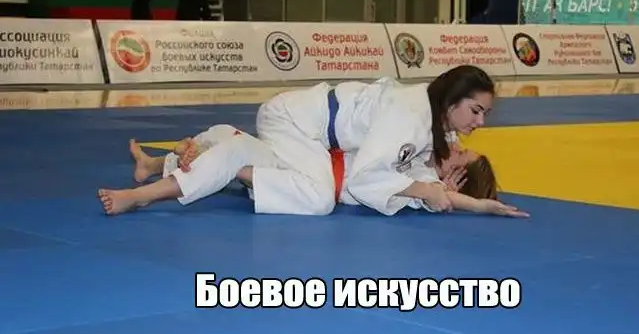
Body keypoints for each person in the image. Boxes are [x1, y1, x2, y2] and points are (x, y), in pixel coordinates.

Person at [98, 65, 529, 218]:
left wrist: (480, 204)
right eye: (476, 111)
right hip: (298, 124)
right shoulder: (411, 117)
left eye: (485, 114)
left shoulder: (431, 121)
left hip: (310, 131)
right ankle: (152, 193)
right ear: (453, 101)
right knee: (319, 197)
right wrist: (427, 189)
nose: (479, 123)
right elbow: (364, 179)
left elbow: (441, 187)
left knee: (253, 154)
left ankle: (163, 167)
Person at [106, 125, 522, 218]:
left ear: (456, 178)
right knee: (225, 135)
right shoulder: (418, 145)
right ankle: (154, 165)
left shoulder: (426, 187)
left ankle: (143, 196)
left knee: (229, 153)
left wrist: (482, 205)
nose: (456, 147)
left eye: (460, 155)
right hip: (306, 154)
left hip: (314, 179)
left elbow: (446, 199)